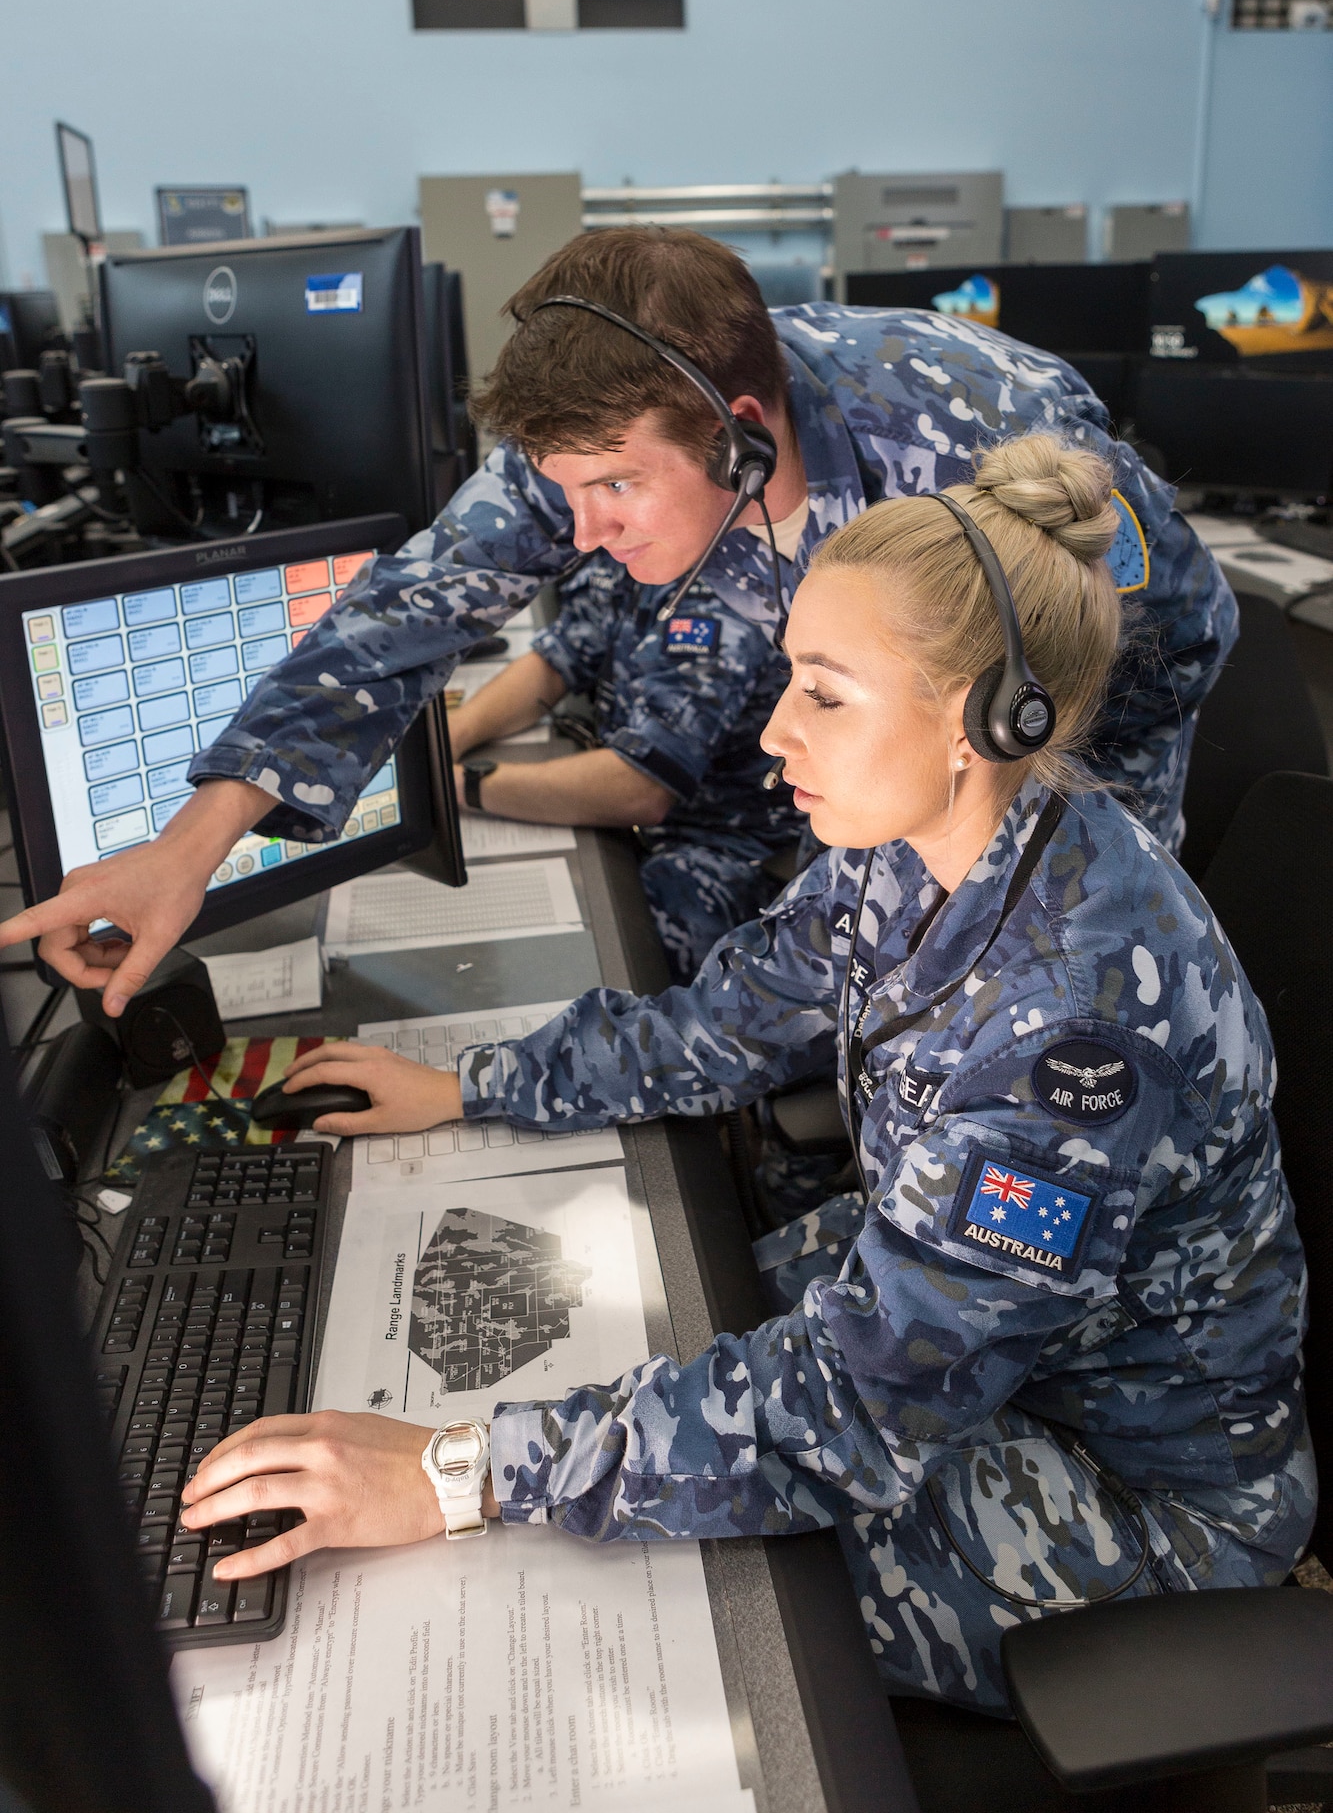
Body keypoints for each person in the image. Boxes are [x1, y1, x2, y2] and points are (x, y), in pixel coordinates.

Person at [173, 435, 1311, 1717]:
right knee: (628, 1353)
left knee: (617, 1589)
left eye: (824, 693)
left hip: (1134, 1498)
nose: (775, 732)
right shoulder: (925, 838)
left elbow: (855, 1414)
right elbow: (726, 1017)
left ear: (986, 717)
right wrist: (472, 1084)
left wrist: (457, 1473)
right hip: (978, 1354)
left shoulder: (1069, 1030)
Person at [0, 227, 1236, 1015]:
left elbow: (1120, 648)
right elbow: (398, 619)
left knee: (1032, 975)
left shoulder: (968, 434)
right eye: (565, 490)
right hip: (862, 690)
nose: (582, 532)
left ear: (739, 434)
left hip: (1097, 687)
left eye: (613, 491)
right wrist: (193, 847)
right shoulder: (614, 424)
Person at [449, 547, 804, 978]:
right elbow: (557, 661)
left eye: (617, 485)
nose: (587, 526)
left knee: (571, 961)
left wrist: (458, 788)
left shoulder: (729, 597)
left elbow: (640, 788)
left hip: (720, 851)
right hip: (638, 829)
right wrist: (454, 736)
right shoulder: (636, 551)